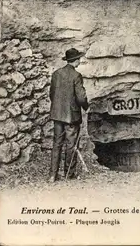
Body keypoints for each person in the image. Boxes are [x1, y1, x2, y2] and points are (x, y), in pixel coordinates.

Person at [48, 48, 89, 183]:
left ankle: (52, 175)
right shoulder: (76, 76)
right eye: (79, 59)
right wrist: (86, 107)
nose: (80, 61)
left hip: (57, 114)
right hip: (71, 116)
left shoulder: (56, 74)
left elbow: (51, 94)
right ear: (75, 60)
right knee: (70, 144)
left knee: (57, 143)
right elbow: (81, 97)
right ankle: (69, 174)